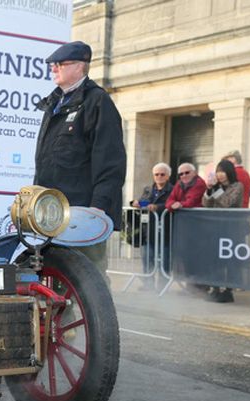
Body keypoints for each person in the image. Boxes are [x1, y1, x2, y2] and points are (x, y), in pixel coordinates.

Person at [33, 41, 127, 276]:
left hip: (82, 214)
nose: (53, 68)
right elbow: (46, 162)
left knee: (89, 281)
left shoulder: (97, 101)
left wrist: (98, 208)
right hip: (52, 213)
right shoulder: (54, 104)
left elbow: (111, 160)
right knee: (54, 276)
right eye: (52, 65)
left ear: (79, 66)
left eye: (59, 64)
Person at [202, 159, 243, 303]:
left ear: (229, 172)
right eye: (218, 172)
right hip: (215, 227)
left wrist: (216, 190)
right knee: (214, 259)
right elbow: (205, 204)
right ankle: (215, 288)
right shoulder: (216, 187)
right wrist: (209, 189)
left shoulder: (237, 186)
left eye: (223, 172)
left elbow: (227, 203)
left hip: (231, 228)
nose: (220, 175)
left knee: (229, 260)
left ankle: (228, 291)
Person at [131, 162, 174, 276]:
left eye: (162, 174)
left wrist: (157, 207)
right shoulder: (148, 189)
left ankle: (163, 283)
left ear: (168, 176)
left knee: (164, 262)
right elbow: (142, 201)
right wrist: (134, 203)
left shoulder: (173, 190)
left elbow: (171, 204)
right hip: (148, 230)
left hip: (165, 231)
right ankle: (147, 283)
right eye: (156, 174)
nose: (159, 177)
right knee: (147, 260)